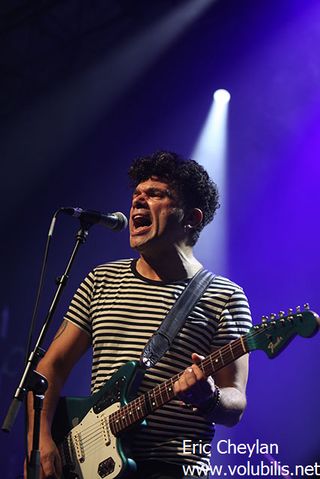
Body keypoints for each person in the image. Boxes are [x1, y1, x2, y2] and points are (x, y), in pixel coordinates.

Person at [26, 151, 252, 479]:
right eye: (136, 194)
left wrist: (211, 397)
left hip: (175, 467)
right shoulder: (101, 280)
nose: (138, 201)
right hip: (93, 466)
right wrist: (41, 442)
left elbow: (236, 403)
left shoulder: (225, 296)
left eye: (155, 194)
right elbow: (51, 368)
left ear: (193, 218)